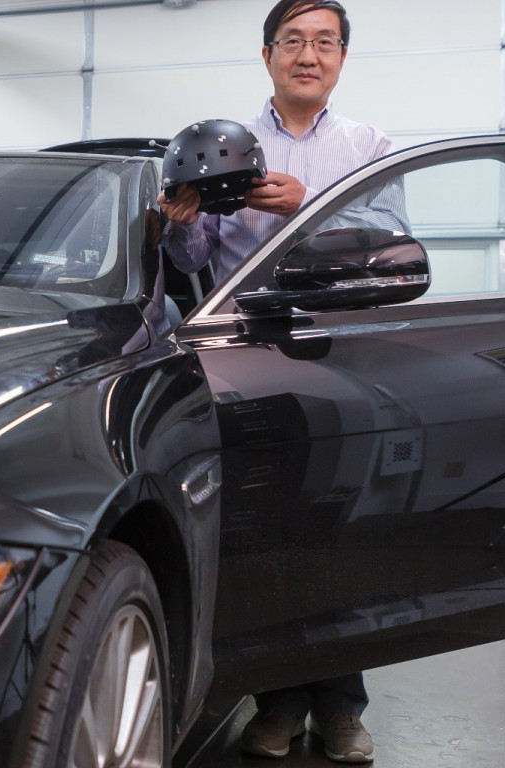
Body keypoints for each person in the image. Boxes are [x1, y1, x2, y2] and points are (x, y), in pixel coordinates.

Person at [155, 1, 383, 762]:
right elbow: (190, 268)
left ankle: (342, 707)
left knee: (340, 534)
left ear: (342, 57)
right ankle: (277, 703)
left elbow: (390, 246)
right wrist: (182, 222)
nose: (308, 55)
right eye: (293, 41)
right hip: (246, 365)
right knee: (263, 540)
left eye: (324, 42)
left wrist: (310, 208)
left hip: (341, 362)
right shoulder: (227, 146)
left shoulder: (367, 146)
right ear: (267, 56)